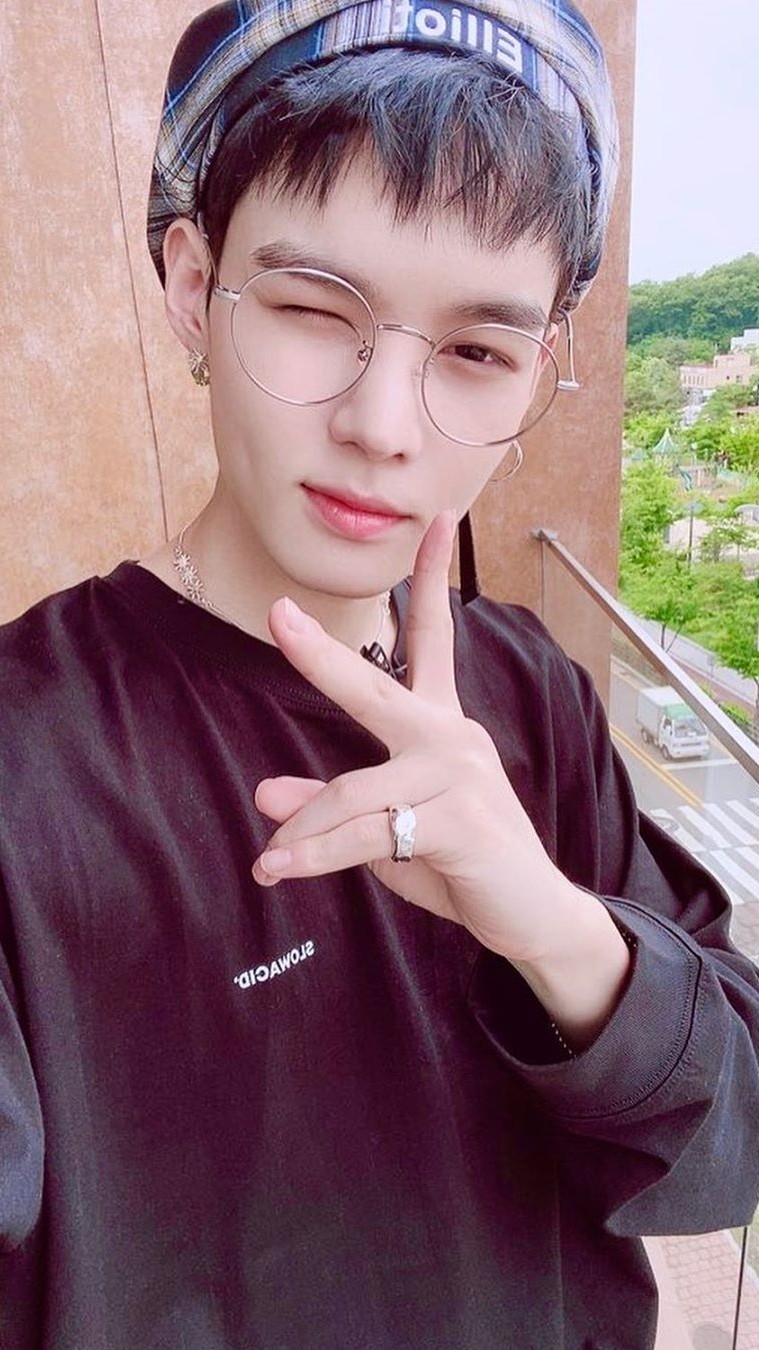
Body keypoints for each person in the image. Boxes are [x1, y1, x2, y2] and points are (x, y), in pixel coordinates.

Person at [1, 1, 758, 1346]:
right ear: (192, 283)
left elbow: (726, 1141)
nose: (385, 425)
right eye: (311, 308)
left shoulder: (535, 688)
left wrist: (555, 929)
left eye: (475, 353)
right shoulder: (27, 752)